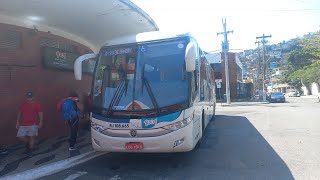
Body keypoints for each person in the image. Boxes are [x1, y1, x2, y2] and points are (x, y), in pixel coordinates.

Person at [16, 91, 43, 157]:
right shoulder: (23, 104)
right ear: (26, 97)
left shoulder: (37, 104)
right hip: (23, 124)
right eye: (28, 97)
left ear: (33, 97)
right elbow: (19, 113)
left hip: (33, 124)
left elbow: (40, 113)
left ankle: (30, 150)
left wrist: (41, 121)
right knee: (20, 136)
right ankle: (31, 142)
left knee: (31, 136)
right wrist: (17, 122)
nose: (29, 99)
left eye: (30, 97)